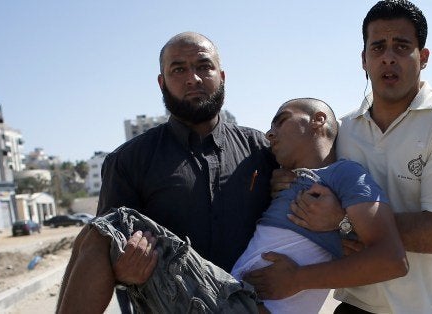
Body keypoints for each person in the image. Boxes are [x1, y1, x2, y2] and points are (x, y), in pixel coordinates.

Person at [247, 1, 432, 313]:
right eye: (378, 47)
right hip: (356, 305)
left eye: (402, 46)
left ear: (422, 57)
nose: (388, 57)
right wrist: (287, 183)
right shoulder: (342, 131)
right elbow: (305, 189)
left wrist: (341, 221)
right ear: (364, 59)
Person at [56, 31, 277, 313]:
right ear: (162, 83)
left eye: (203, 66)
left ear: (221, 75)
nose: (193, 78)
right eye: (179, 69)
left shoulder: (262, 150)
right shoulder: (129, 161)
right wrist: (122, 272)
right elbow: (108, 248)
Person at [231, 98, 408, 313]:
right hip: (229, 300)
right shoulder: (281, 180)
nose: (269, 134)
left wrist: (297, 279)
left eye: (281, 121)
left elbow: (392, 260)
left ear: (318, 120)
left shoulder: (346, 174)